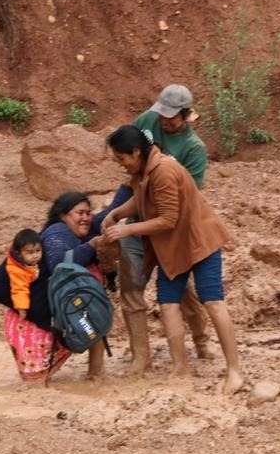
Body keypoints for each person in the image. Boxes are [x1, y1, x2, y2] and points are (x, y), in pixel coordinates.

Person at [102, 125, 244, 395]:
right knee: (168, 305)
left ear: (136, 152)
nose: (121, 165)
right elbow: (142, 201)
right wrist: (117, 214)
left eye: (122, 159)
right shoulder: (146, 171)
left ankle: (234, 370)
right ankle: (180, 367)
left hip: (199, 241)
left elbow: (168, 219)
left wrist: (127, 229)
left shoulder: (164, 170)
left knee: (212, 301)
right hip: (173, 248)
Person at [118, 83, 214, 376]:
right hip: (138, 218)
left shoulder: (193, 149)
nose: (164, 122)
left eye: (172, 118)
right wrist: (116, 213)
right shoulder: (148, 120)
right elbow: (127, 153)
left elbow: (188, 199)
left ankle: (201, 342)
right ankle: (140, 355)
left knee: (180, 289)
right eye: (162, 115)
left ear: (187, 115)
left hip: (172, 230)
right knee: (132, 288)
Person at [0, 189, 127, 382]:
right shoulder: (58, 231)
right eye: (80, 213)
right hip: (29, 312)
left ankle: (96, 375)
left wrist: (130, 185)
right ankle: (93, 376)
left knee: (91, 300)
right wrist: (91, 246)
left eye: (88, 213)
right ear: (63, 215)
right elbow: (59, 264)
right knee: (34, 385)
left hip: (45, 304)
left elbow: (109, 214)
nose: (86, 218)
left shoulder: (81, 228)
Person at [6, 228, 43, 319]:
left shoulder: (30, 263)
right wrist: (22, 308)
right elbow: (19, 288)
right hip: (19, 307)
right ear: (19, 254)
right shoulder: (17, 271)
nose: (35, 255)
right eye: (30, 253)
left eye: (38, 250)